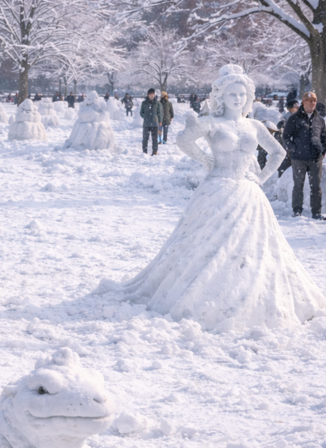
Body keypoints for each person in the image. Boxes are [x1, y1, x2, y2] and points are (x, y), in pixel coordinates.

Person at [97, 64, 326, 330]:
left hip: (248, 194)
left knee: (253, 248)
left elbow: (278, 152)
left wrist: (261, 177)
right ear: (221, 96)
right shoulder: (211, 122)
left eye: (242, 94)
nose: (237, 99)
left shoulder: (253, 125)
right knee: (206, 246)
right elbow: (183, 141)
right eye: (232, 94)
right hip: (217, 189)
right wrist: (204, 158)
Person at [283, 91, 326, 219]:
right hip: (299, 158)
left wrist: (323, 151)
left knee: (316, 187)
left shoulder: (320, 120)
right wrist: (293, 149)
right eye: (309, 100)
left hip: (315, 158)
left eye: (314, 101)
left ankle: (316, 212)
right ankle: (297, 211)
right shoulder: (294, 119)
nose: (312, 103)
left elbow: (324, 138)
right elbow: (286, 137)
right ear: (303, 102)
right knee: (298, 185)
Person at [140, 88, 163, 155]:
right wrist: (145, 117)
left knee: (155, 139)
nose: (152, 96)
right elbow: (141, 113)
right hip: (146, 124)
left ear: (154, 94)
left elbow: (159, 113)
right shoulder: (144, 103)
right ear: (148, 95)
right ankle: (144, 152)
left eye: (153, 94)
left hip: (155, 123)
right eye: (150, 94)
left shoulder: (157, 103)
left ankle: (155, 151)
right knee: (145, 139)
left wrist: (160, 121)